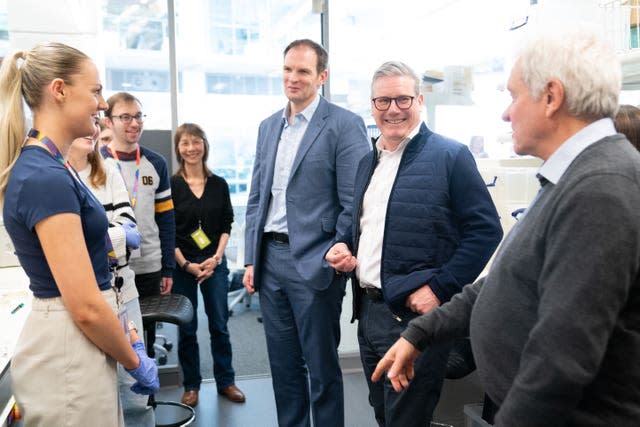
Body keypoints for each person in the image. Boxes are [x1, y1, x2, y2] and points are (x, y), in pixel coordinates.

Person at [372, 30, 640, 427]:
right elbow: (504, 280)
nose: (506, 113)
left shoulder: (600, 188)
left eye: (513, 96)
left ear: (551, 97)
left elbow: (559, 362)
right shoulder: (572, 177)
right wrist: (421, 334)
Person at [325, 61, 503, 427]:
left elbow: (485, 231)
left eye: (403, 99)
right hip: (369, 313)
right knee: (383, 413)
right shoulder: (367, 161)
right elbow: (359, 223)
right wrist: (343, 246)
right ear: (372, 106)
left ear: (420, 100)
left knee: (407, 418)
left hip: (415, 319)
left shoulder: (450, 157)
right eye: (383, 101)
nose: (393, 109)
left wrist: (440, 289)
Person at [0, 42, 158, 426]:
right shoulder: (44, 177)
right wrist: (134, 360)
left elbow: (91, 268)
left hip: (77, 340)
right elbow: (85, 307)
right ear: (59, 90)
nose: (102, 104)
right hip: (68, 349)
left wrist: (126, 327)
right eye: (96, 91)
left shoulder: (54, 164)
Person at [242, 39, 370, 427]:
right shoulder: (269, 126)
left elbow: (353, 200)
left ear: (322, 77)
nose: (292, 78)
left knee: (321, 369)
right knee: (283, 369)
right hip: (270, 259)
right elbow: (256, 197)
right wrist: (250, 259)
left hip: (315, 262)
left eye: (302, 71)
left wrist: (337, 250)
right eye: (287, 69)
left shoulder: (344, 124)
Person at [67, 134, 154, 426]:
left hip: (122, 288)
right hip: (82, 294)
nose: (91, 133)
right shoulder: (57, 176)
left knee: (133, 390)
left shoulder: (108, 171)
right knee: (94, 388)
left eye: (95, 127)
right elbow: (70, 243)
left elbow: (131, 230)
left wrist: (104, 236)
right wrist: (113, 234)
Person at [171, 123, 245, 407]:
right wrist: (187, 264)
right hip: (183, 266)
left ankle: (226, 381)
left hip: (215, 264)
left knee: (219, 325)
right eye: (185, 143)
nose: (191, 148)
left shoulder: (219, 184)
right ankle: (191, 386)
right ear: (179, 149)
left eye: (196, 142)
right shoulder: (172, 185)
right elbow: (169, 231)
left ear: (204, 145)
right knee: (187, 329)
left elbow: (227, 223)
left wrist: (216, 258)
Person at [101, 92, 175, 357]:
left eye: (138, 116)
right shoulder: (98, 163)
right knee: (118, 338)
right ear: (108, 121)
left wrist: (167, 266)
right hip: (114, 267)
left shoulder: (156, 163)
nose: (134, 123)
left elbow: (166, 220)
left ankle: (149, 394)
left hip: (151, 265)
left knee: (147, 335)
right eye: (125, 117)